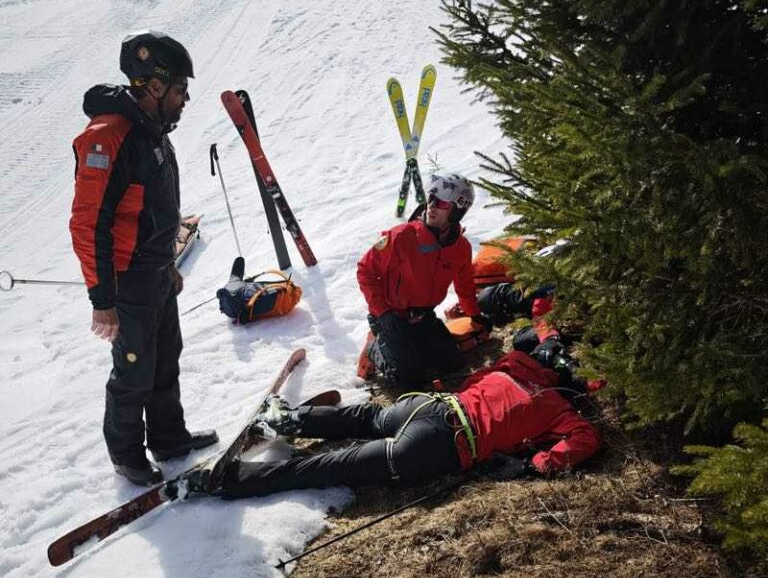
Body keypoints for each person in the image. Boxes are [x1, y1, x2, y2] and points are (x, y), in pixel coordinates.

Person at [187, 333, 600, 499]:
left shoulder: (514, 365)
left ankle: (290, 419)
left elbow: (482, 373)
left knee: (364, 417)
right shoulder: (560, 410)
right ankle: (231, 482)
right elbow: (584, 441)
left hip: (427, 406)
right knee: (332, 466)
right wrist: (536, 464)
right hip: (443, 444)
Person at [70, 31, 217, 486]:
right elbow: (87, 223)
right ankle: (126, 455)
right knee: (133, 369)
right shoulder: (108, 138)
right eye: (179, 90)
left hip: (153, 272)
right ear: (153, 87)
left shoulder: (151, 130)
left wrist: (167, 263)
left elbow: (151, 210)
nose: (185, 99)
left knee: (165, 357)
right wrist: (102, 297)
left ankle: (170, 438)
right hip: (126, 279)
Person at [356, 172, 489, 389]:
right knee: (408, 380)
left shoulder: (460, 247)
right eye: (431, 199)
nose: (432, 206)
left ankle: (411, 347)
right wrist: (383, 313)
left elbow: (464, 285)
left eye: (442, 202)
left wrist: (474, 314)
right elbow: (365, 271)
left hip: (423, 316)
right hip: (391, 318)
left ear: (458, 210)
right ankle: (374, 345)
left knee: (452, 364)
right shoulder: (400, 237)